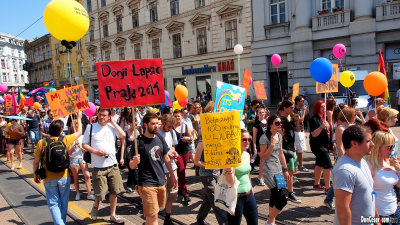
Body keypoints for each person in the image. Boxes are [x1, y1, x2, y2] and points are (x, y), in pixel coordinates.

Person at [32, 112, 82, 225]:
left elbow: (35, 162)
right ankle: (61, 222)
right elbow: (79, 132)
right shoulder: (64, 139)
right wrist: (78, 118)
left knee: (53, 203)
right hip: (64, 176)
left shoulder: (42, 142)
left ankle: (60, 223)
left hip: (49, 177)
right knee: (64, 201)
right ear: (60, 131)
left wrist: (35, 174)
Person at [129, 112, 177, 225]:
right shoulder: (139, 142)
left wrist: (173, 176)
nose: (156, 126)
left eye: (157, 123)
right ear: (145, 125)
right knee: (154, 216)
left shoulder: (160, 138)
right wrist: (134, 162)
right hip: (146, 184)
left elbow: (166, 157)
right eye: (153, 124)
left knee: (154, 214)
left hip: (160, 182)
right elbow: (131, 165)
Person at [82, 108, 126, 224]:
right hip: (98, 166)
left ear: (109, 116)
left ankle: (112, 215)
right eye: (100, 115)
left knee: (114, 191)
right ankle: (95, 206)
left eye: (104, 115)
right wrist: (95, 151)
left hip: (112, 165)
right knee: (100, 193)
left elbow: (123, 135)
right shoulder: (90, 127)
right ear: (97, 114)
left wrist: (113, 123)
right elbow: (84, 144)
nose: (102, 117)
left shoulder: (112, 127)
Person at [333, 125, 378, 225]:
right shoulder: (345, 170)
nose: (373, 144)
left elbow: (370, 196)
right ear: (354, 143)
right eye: (368, 141)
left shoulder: (363, 161)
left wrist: (377, 221)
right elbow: (343, 209)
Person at [259, 114, 290, 225]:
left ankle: (271, 221)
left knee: (275, 195)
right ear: (270, 125)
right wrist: (272, 144)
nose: (280, 125)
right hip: (268, 170)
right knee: (282, 199)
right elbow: (263, 157)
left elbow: (281, 153)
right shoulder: (263, 138)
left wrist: (285, 169)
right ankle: (270, 220)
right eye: (277, 123)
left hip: (278, 169)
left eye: (280, 123)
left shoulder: (279, 135)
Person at [324, 107, 356, 210]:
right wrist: (344, 158)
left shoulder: (350, 126)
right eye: (354, 115)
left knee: (342, 179)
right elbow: (339, 145)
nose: (355, 117)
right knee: (340, 178)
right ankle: (330, 199)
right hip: (343, 156)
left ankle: (330, 199)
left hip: (351, 155)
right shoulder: (340, 128)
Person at [365, 131, 400, 224]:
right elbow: (367, 195)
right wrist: (376, 219)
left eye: (393, 146)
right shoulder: (369, 165)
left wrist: (398, 170)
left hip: (395, 209)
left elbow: (399, 185)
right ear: (378, 147)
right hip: (381, 213)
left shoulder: (388, 162)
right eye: (390, 147)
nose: (392, 150)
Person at [224, 130, 258, 225]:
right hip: (236, 197)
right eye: (244, 139)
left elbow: (247, 173)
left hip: (249, 195)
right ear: (237, 140)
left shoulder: (247, 154)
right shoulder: (230, 156)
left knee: (254, 222)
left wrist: (251, 187)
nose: (247, 142)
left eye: (249, 139)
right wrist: (229, 170)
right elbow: (230, 182)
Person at [195, 142, 228, 225]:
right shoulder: (201, 143)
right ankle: (224, 223)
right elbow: (196, 161)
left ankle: (200, 218)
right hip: (206, 176)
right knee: (216, 199)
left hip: (216, 175)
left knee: (208, 198)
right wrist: (210, 165)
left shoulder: (218, 141)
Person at [158, 114, 179, 225]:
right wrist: (166, 155)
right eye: (169, 126)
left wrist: (173, 152)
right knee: (161, 195)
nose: (171, 129)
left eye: (172, 127)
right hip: (160, 169)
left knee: (172, 193)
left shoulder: (171, 132)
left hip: (172, 167)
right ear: (163, 123)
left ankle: (167, 218)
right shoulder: (156, 134)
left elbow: (172, 146)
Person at [279, 100, 301, 203]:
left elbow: (297, 130)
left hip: (291, 147)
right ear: (284, 108)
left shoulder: (290, 118)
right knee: (287, 172)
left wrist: (297, 121)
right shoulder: (280, 120)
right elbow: (279, 135)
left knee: (290, 171)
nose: (293, 109)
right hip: (285, 149)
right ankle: (289, 193)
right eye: (291, 108)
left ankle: (285, 190)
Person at [69, 119, 95, 201]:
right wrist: (74, 146)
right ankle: (77, 192)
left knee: (87, 176)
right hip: (73, 159)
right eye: (76, 126)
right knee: (76, 177)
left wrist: (81, 147)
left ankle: (89, 193)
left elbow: (85, 150)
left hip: (82, 158)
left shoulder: (83, 137)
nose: (77, 127)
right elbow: (69, 152)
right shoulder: (70, 137)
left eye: (78, 126)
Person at [310, 100, 332, 193]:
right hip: (319, 146)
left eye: (325, 106)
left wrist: (330, 120)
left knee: (319, 164)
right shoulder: (314, 119)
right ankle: (328, 188)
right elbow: (314, 134)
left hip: (325, 145)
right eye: (322, 107)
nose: (324, 109)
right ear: (318, 108)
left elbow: (331, 131)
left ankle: (316, 183)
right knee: (328, 166)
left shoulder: (325, 118)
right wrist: (321, 127)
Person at [173, 110, 193, 204]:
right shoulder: (171, 128)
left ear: (182, 117)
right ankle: (185, 193)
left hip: (185, 152)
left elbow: (191, 137)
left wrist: (187, 138)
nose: (177, 118)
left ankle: (180, 188)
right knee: (181, 172)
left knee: (182, 171)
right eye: (176, 116)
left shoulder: (185, 126)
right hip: (177, 153)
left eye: (179, 116)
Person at [252, 105, 267, 186]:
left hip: (266, 145)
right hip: (259, 145)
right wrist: (254, 147)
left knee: (265, 161)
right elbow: (254, 137)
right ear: (257, 114)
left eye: (263, 112)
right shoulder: (256, 124)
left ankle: (263, 176)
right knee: (263, 160)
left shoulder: (266, 122)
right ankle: (260, 177)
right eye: (260, 113)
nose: (262, 114)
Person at [294, 95, 308, 172]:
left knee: (301, 149)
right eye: (302, 101)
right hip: (297, 131)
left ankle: (300, 165)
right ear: (298, 102)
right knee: (298, 149)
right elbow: (300, 120)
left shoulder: (301, 110)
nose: (303, 102)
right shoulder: (295, 110)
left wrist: (305, 132)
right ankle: (298, 165)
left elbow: (302, 123)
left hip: (301, 131)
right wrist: (305, 111)